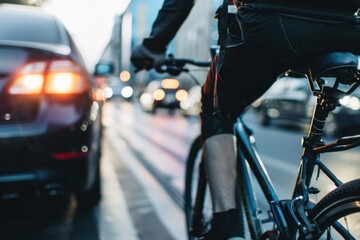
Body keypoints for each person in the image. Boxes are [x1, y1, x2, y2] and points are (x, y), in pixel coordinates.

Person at [131, 0, 360, 239]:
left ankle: (227, 227)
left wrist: (153, 46)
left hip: (271, 23)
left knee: (218, 109)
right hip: (344, 29)